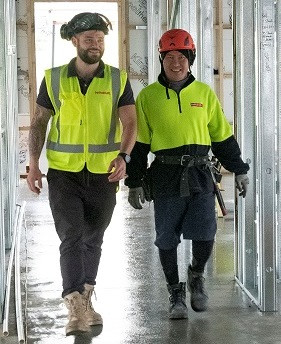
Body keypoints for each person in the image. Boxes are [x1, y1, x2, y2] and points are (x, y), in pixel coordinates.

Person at [125, 29, 249, 320]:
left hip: (200, 174)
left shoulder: (204, 93)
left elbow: (221, 137)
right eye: (169, 57)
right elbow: (140, 144)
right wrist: (133, 182)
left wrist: (239, 169)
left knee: (206, 233)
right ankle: (175, 292)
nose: (176, 63)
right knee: (166, 238)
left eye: (181, 56)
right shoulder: (148, 97)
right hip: (165, 175)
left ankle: (196, 274)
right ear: (161, 59)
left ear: (190, 58)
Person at [26, 12, 137, 336]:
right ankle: (74, 304)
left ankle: (86, 297)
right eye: (89, 39)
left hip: (104, 174)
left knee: (94, 239)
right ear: (75, 41)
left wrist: (124, 156)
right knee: (71, 237)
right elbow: (39, 122)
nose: (95, 45)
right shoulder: (55, 77)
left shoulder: (117, 79)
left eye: (100, 39)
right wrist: (34, 163)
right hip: (64, 174)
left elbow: (130, 122)